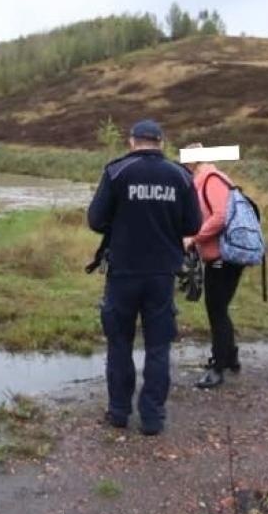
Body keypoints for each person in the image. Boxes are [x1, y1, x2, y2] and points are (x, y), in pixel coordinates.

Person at [86, 119, 201, 435]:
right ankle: (152, 418)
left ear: (132, 141)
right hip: (162, 274)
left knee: (119, 343)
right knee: (158, 346)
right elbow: (193, 225)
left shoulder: (117, 171)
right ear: (162, 143)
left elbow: (95, 220)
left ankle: (119, 413)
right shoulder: (180, 175)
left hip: (123, 272)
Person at [182, 145, 245, 389]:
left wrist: (194, 237)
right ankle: (229, 357)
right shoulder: (211, 178)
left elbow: (220, 216)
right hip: (221, 255)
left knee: (216, 310)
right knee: (220, 307)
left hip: (224, 256)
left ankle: (218, 368)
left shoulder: (210, 180)